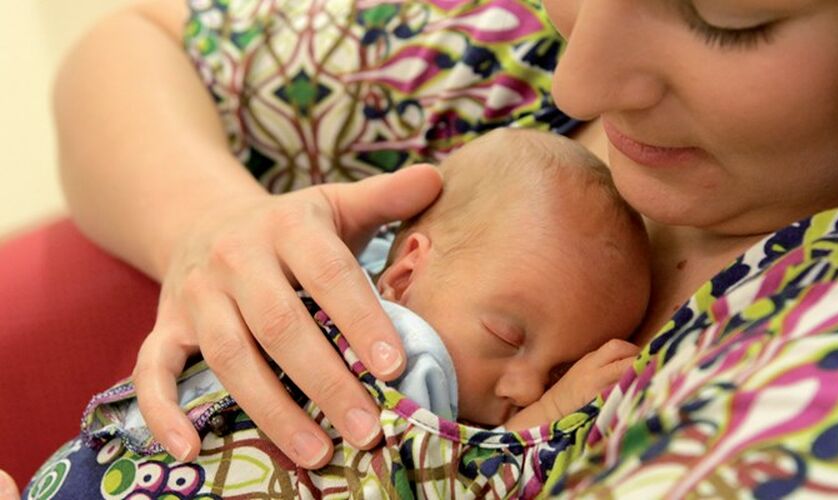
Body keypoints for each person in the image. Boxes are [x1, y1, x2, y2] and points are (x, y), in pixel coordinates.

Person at [15, 0, 838, 497]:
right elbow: (137, 39)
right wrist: (209, 220)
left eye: (724, 17)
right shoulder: (526, 43)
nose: (579, 78)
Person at [79, 129, 651, 453]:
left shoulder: (369, 270)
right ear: (403, 276)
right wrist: (544, 417)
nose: (527, 388)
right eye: (505, 335)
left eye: (556, 375)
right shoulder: (407, 350)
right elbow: (437, 472)